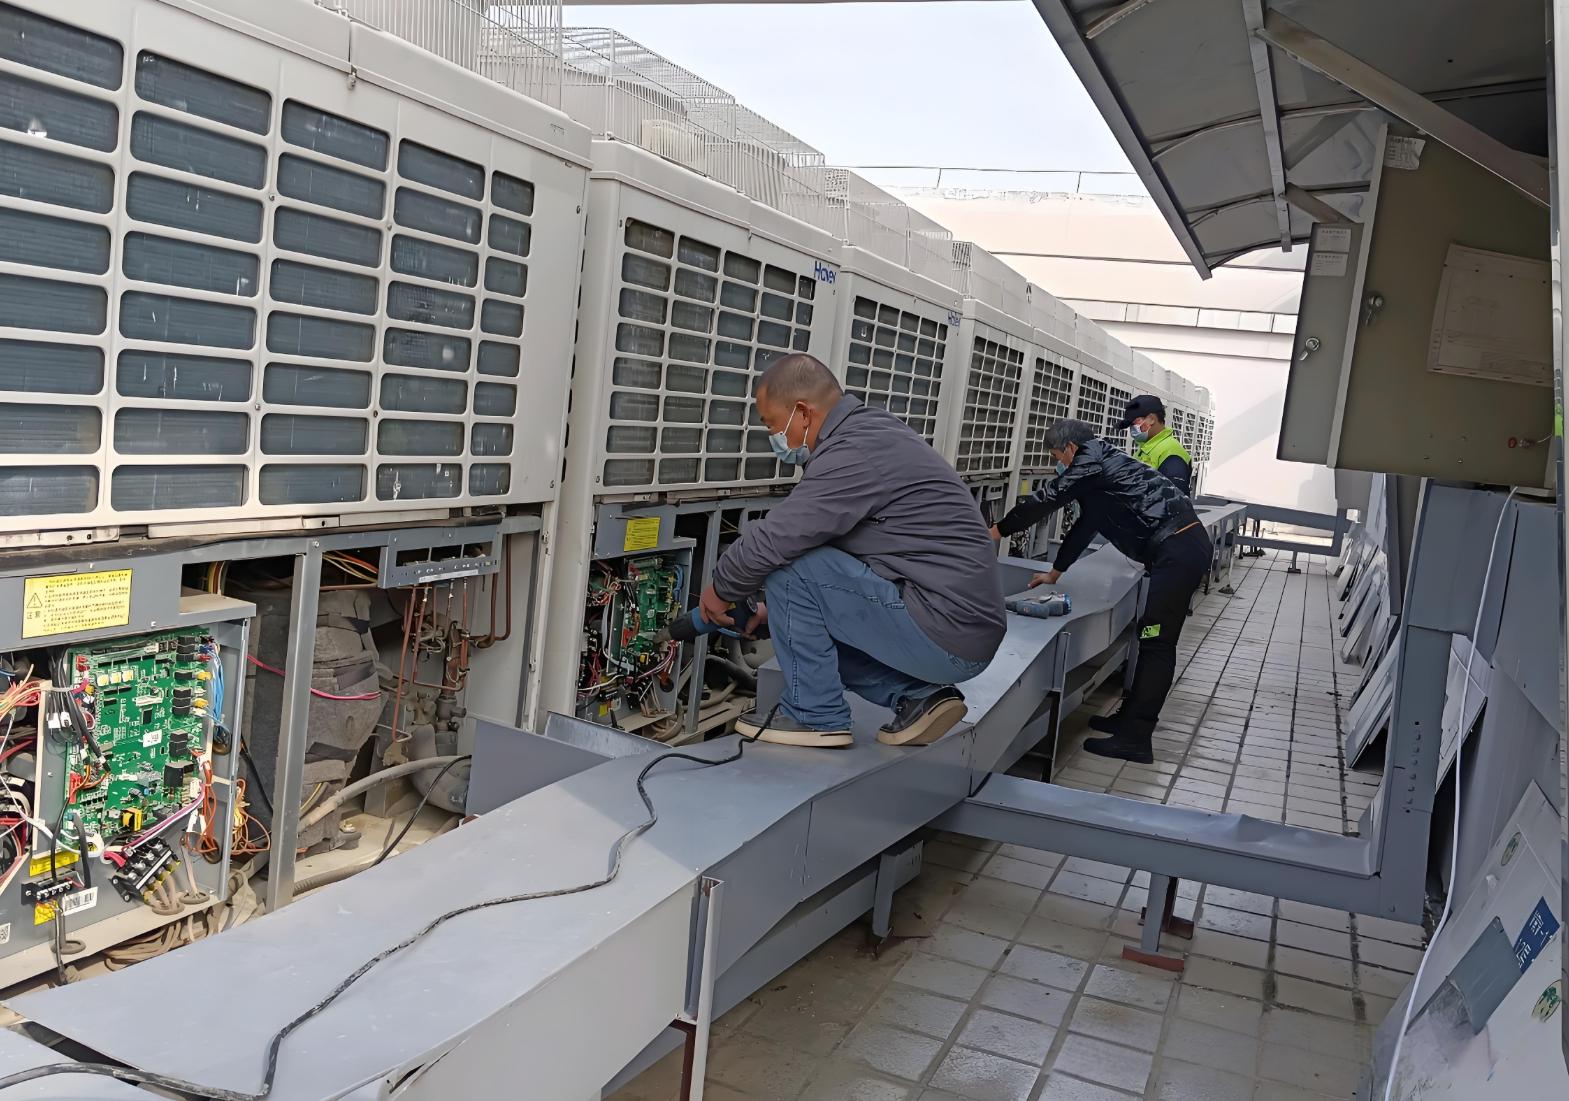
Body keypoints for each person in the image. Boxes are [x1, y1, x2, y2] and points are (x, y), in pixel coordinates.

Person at [700, 354, 1006, 749]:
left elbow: (775, 540)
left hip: (946, 628)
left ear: (802, 413)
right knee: (808, 617)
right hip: (958, 628)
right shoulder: (870, 434)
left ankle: (813, 716)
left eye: (772, 424)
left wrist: (719, 591)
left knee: (788, 566)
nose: (774, 436)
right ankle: (917, 697)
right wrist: (775, 612)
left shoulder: (855, 451)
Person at [989, 418, 1211, 764]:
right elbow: (1087, 524)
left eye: (1057, 457)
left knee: (1156, 642)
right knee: (1150, 637)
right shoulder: (1103, 464)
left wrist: (998, 531)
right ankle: (1129, 721)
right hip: (1178, 547)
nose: (1058, 466)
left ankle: (1136, 739)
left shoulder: (1089, 461)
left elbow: (1048, 498)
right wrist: (1056, 571)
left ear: (1071, 448)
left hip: (1178, 550)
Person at [1116, 395, 1192, 495]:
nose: (1132, 429)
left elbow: (1173, 499)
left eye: (1134, 423)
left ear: (1151, 419)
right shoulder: (1145, 449)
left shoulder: (1172, 453)